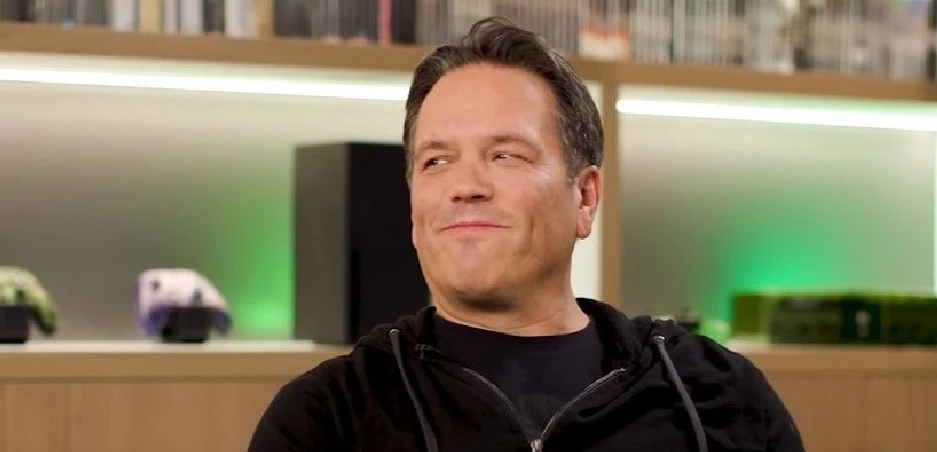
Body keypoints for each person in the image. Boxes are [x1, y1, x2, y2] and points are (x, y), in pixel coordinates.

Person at [247, 17, 805, 452]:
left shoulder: (718, 397)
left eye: (505, 155)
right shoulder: (328, 417)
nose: (465, 186)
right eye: (436, 161)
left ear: (585, 197)